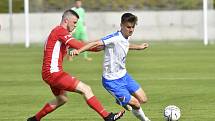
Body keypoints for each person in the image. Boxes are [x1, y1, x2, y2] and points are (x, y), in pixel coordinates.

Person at [27, 9, 125, 121]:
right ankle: (107, 117)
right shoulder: (60, 31)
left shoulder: (57, 32)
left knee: (61, 99)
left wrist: (98, 46)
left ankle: (34, 119)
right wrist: (102, 46)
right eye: (74, 22)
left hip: (48, 73)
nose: (75, 26)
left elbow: (76, 46)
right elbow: (79, 45)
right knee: (86, 89)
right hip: (54, 73)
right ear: (66, 20)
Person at [71, 13, 151, 121]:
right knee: (136, 104)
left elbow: (125, 45)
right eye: (128, 27)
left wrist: (139, 47)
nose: (131, 30)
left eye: (133, 27)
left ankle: (120, 100)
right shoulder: (114, 37)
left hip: (124, 76)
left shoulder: (125, 37)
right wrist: (79, 51)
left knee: (143, 99)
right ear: (121, 25)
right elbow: (95, 43)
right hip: (112, 81)